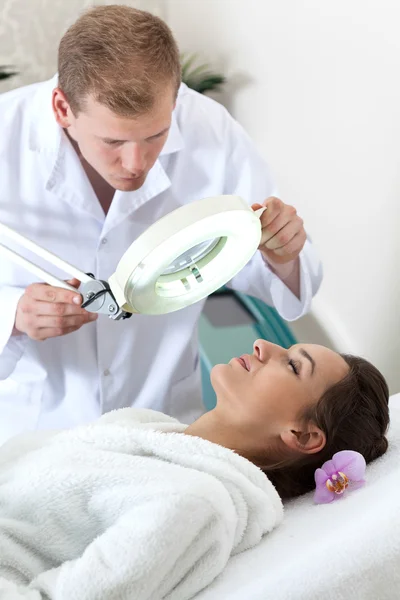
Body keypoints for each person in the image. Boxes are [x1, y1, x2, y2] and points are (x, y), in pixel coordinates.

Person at [0, 5, 323, 444]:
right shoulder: (6, 137)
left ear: (175, 99)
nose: (136, 165)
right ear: (62, 108)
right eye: (112, 141)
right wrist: (15, 317)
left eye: (155, 135)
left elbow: (278, 283)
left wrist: (282, 252)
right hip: (31, 431)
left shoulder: (211, 131)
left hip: (165, 420)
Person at [0, 340, 389, 599]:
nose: (263, 345)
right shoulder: (141, 426)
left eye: (292, 365)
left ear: (302, 437)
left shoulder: (192, 505)